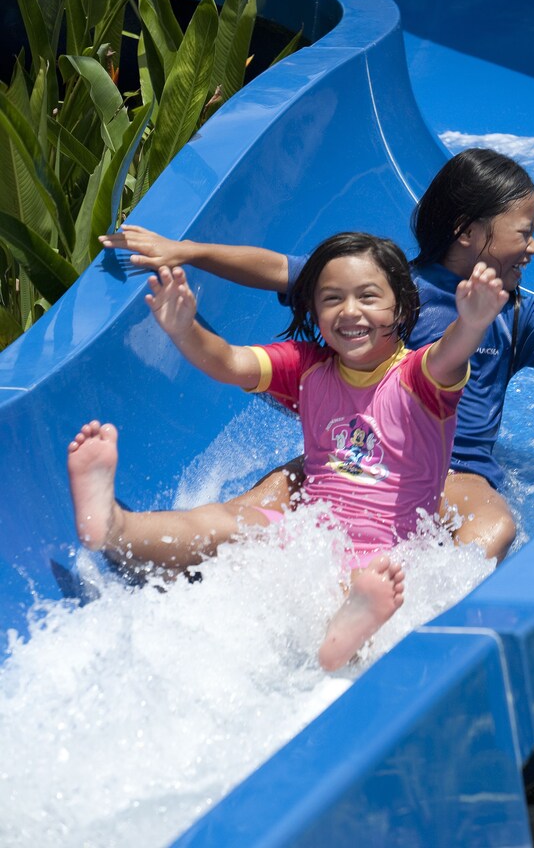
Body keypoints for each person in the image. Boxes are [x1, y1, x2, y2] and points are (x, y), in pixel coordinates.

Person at [99, 148, 534, 562]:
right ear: (469, 232)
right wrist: (186, 251)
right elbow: (279, 267)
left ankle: (420, 604)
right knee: (251, 508)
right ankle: (142, 540)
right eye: (524, 232)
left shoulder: (516, 311)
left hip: (451, 467)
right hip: (351, 451)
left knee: (490, 526)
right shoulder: (383, 289)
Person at [69, 232, 508, 671]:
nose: (350, 311)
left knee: (368, 585)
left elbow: (451, 352)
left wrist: (471, 322)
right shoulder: (306, 365)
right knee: (223, 521)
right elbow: (227, 362)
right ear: (314, 310)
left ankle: (345, 636)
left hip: (389, 554)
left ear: (402, 306)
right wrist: (184, 330)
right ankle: (113, 526)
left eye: (368, 297)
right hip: (309, 535)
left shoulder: (420, 377)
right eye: (332, 298)